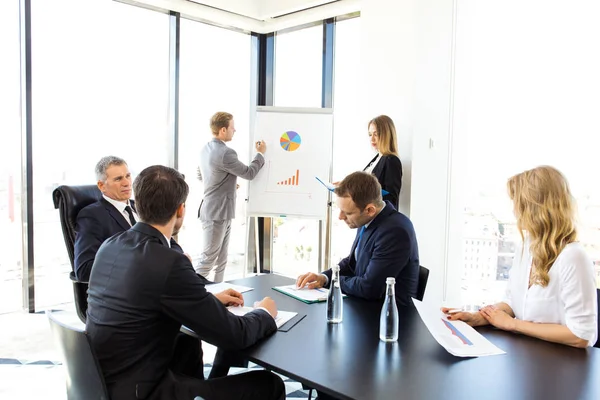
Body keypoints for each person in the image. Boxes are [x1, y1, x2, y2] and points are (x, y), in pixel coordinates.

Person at [86, 165, 285, 400]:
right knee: (269, 384)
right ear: (181, 209)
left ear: (137, 204)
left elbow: (146, 299)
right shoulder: (169, 262)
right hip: (145, 392)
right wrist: (263, 312)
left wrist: (207, 301)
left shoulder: (109, 246)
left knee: (187, 345)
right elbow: (235, 335)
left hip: (105, 384)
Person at [443, 166, 598, 348]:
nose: (515, 211)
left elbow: (581, 335)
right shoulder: (527, 247)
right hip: (528, 356)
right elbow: (512, 302)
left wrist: (514, 324)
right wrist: (479, 318)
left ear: (535, 208)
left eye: (518, 203)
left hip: (562, 366)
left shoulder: (573, 257)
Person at [296, 171, 420, 306]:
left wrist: (332, 282)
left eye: (348, 213)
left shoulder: (395, 231)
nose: (340, 217)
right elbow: (352, 262)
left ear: (370, 210)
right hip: (364, 306)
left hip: (388, 315)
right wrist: (324, 277)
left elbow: (369, 288)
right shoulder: (368, 219)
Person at [197, 112, 266, 282]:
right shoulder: (226, 153)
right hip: (216, 213)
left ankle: (218, 294)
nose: (234, 130)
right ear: (222, 130)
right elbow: (249, 173)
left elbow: (202, 175)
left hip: (219, 210)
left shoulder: (205, 149)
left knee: (221, 260)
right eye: (232, 127)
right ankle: (187, 293)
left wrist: (226, 184)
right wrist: (260, 154)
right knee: (208, 260)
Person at [363, 115, 403, 209]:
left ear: (386, 135)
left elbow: (391, 199)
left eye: (376, 134)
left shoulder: (392, 161)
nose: (372, 139)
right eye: (370, 134)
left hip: (379, 218)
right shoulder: (377, 158)